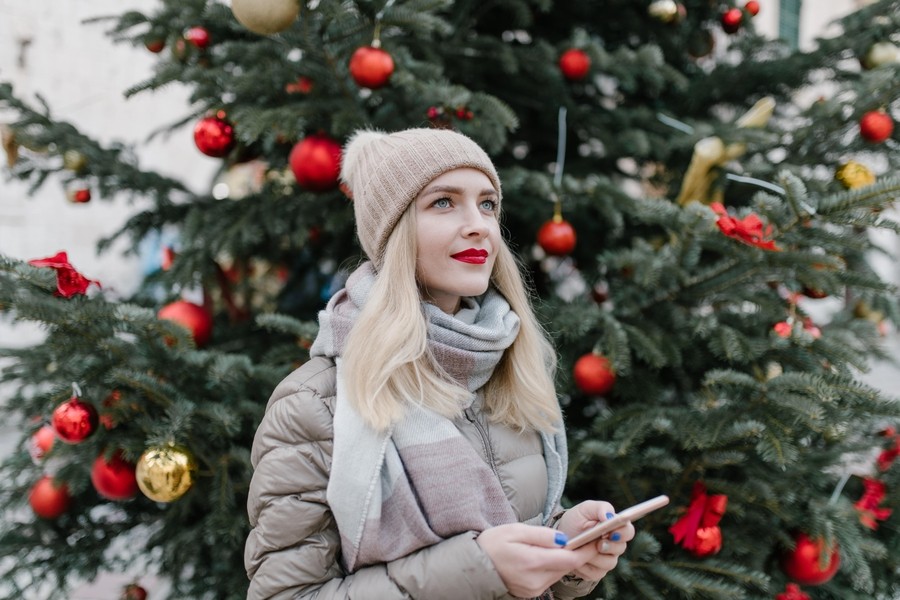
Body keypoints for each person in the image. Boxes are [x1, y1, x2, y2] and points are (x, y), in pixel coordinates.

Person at [244, 127, 634, 600]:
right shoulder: (315, 404)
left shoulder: (504, 365)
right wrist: (479, 570)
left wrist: (566, 544)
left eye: (487, 204)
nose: (479, 226)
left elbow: (503, 530)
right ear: (394, 231)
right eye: (443, 202)